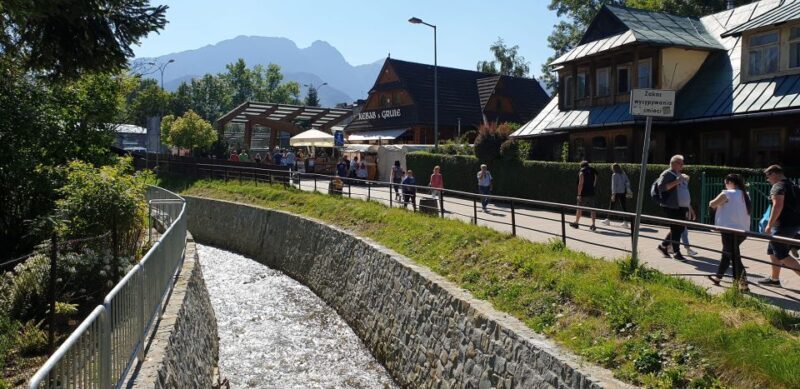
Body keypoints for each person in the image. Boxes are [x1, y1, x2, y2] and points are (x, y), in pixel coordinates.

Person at [708, 174, 752, 292]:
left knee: (734, 257)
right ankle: (718, 278)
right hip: (742, 231)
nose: (725, 185)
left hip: (729, 231)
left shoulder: (728, 193)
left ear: (730, 182)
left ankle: (744, 285)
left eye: (726, 183)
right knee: (727, 253)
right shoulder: (745, 195)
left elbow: (712, 204)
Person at [759, 165, 800, 286]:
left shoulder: (778, 186)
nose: (767, 180)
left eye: (768, 176)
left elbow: (778, 205)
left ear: (774, 174)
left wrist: (769, 225)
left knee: (781, 254)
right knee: (772, 250)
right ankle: (774, 279)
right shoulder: (793, 185)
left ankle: (775, 279)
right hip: (793, 224)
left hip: (782, 225)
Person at [656, 155, 689, 261]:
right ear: (673, 163)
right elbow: (661, 187)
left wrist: (689, 206)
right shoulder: (667, 174)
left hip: (681, 207)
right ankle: (676, 252)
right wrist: (677, 181)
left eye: (683, 163)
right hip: (672, 206)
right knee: (676, 229)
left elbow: (683, 191)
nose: (683, 165)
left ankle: (663, 246)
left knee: (680, 228)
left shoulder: (678, 174)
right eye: (681, 163)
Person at [570, 161, 598, 231]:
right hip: (591, 192)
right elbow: (595, 182)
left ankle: (576, 223)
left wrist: (579, 194)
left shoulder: (581, 172)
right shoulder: (593, 171)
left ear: (581, 166)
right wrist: (592, 188)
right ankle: (593, 224)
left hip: (583, 194)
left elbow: (580, 184)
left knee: (579, 208)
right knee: (593, 209)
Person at [675, 173, 699, 256]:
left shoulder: (684, 188)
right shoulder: (678, 186)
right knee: (683, 230)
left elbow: (687, 202)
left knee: (677, 230)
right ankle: (688, 249)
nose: (687, 181)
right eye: (685, 180)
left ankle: (668, 246)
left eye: (687, 180)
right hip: (679, 210)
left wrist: (691, 211)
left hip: (684, 210)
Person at [601, 163, 630, 227]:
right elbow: (627, 181)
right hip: (623, 192)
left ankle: (607, 220)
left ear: (613, 169)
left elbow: (613, 185)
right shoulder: (623, 174)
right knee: (623, 207)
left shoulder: (614, 175)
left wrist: (613, 194)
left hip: (616, 193)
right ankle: (625, 222)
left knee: (611, 206)